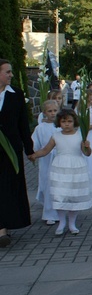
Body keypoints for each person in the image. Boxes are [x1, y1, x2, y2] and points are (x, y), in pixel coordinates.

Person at [29, 108, 92, 236]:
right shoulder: (56, 136)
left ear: (74, 122)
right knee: (60, 194)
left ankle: (72, 223)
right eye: (63, 121)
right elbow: (45, 150)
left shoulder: (80, 135)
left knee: (73, 195)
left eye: (69, 121)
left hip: (76, 167)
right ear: (59, 122)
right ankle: (61, 221)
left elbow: (87, 153)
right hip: (60, 167)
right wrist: (34, 155)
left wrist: (87, 147)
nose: (66, 124)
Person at [0, 58, 34, 248]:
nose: (11, 75)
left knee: (8, 187)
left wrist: (29, 150)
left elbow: (23, 125)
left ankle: (4, 226)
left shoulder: (16, 95)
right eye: (8, 72)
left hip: (11, 151)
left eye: (11, 72)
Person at [32, 99, 62, 225]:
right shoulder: (40, 128)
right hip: (46, 159)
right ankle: (49, 213)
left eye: (55, 111)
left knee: (59, 185)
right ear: (44, 113)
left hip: (61, 159)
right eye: (49, 111)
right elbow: (35, 144)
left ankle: (61, 212)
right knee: (47, 184)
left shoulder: (61, 126)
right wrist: (33, 153)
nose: (53, 113)